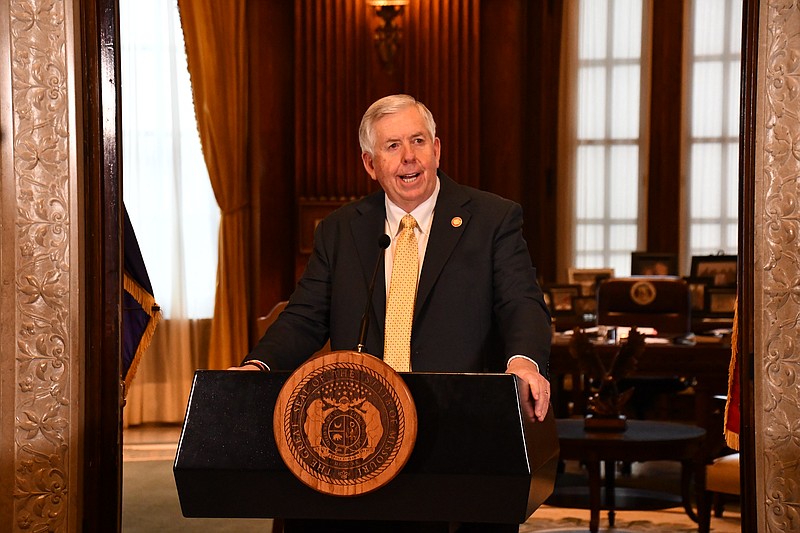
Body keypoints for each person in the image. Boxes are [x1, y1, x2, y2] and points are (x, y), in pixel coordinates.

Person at [230, 94, 552, 532]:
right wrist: (257, 365)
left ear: (437, 149)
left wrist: (523, 360)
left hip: (459, 429)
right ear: (370, 163)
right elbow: (304, 316)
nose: (409, 157)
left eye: (418, 141)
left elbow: (521, 302)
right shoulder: (340, 230)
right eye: (393, 146)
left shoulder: (493, 219)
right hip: (359, 433)